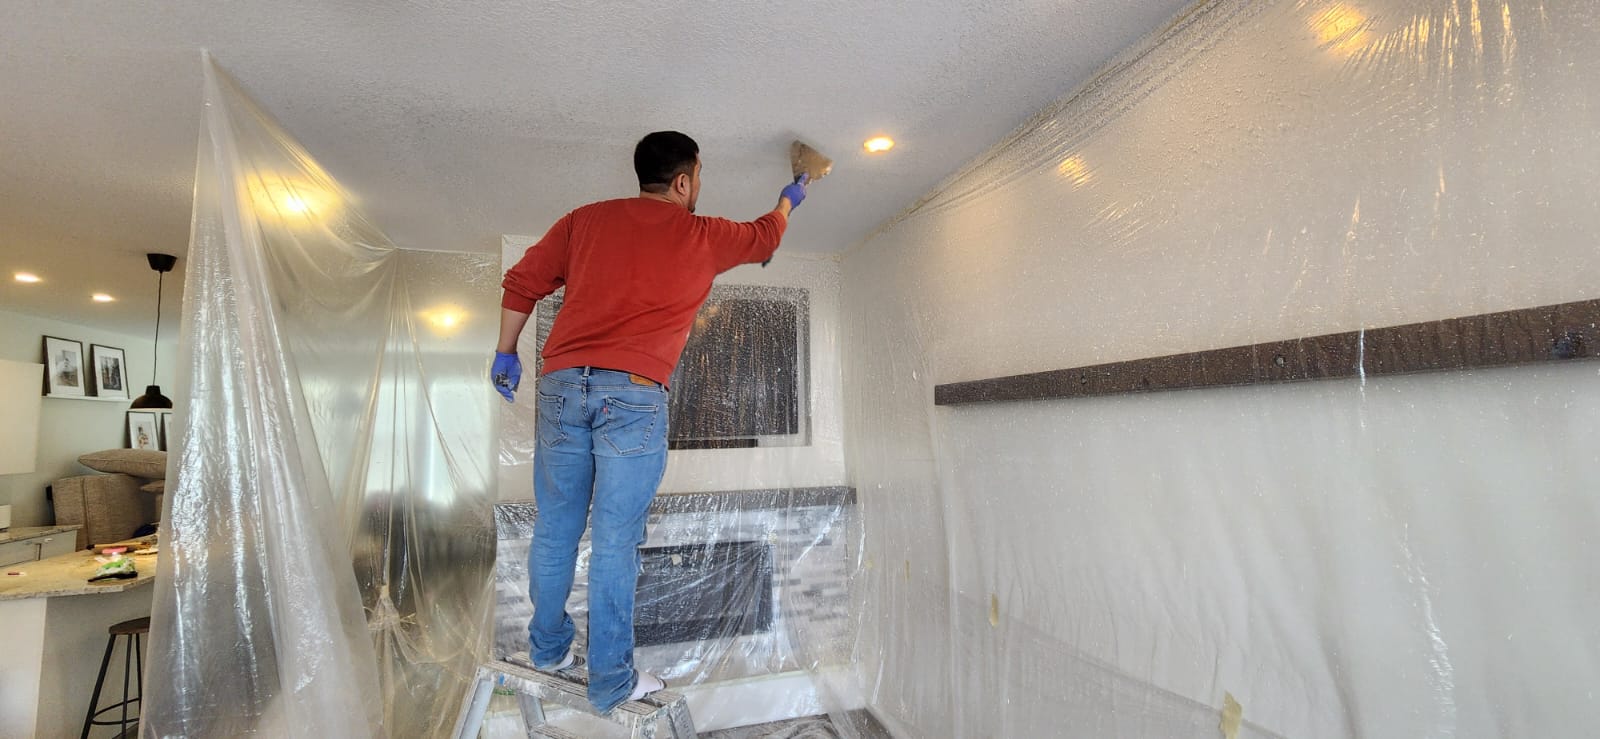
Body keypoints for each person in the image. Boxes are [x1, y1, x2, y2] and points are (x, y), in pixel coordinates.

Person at [492, 131, 808, 713]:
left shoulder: (583, 221)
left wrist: (506, 349)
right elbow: (766, 234)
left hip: (562, 385)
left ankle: (548, 649)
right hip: (633, 396)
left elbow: (522, 281)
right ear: (684, 181)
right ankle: (610, 680)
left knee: (557, 526)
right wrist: (792, 194)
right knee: (615, 542)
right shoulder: (702, 233)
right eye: (699, 178)